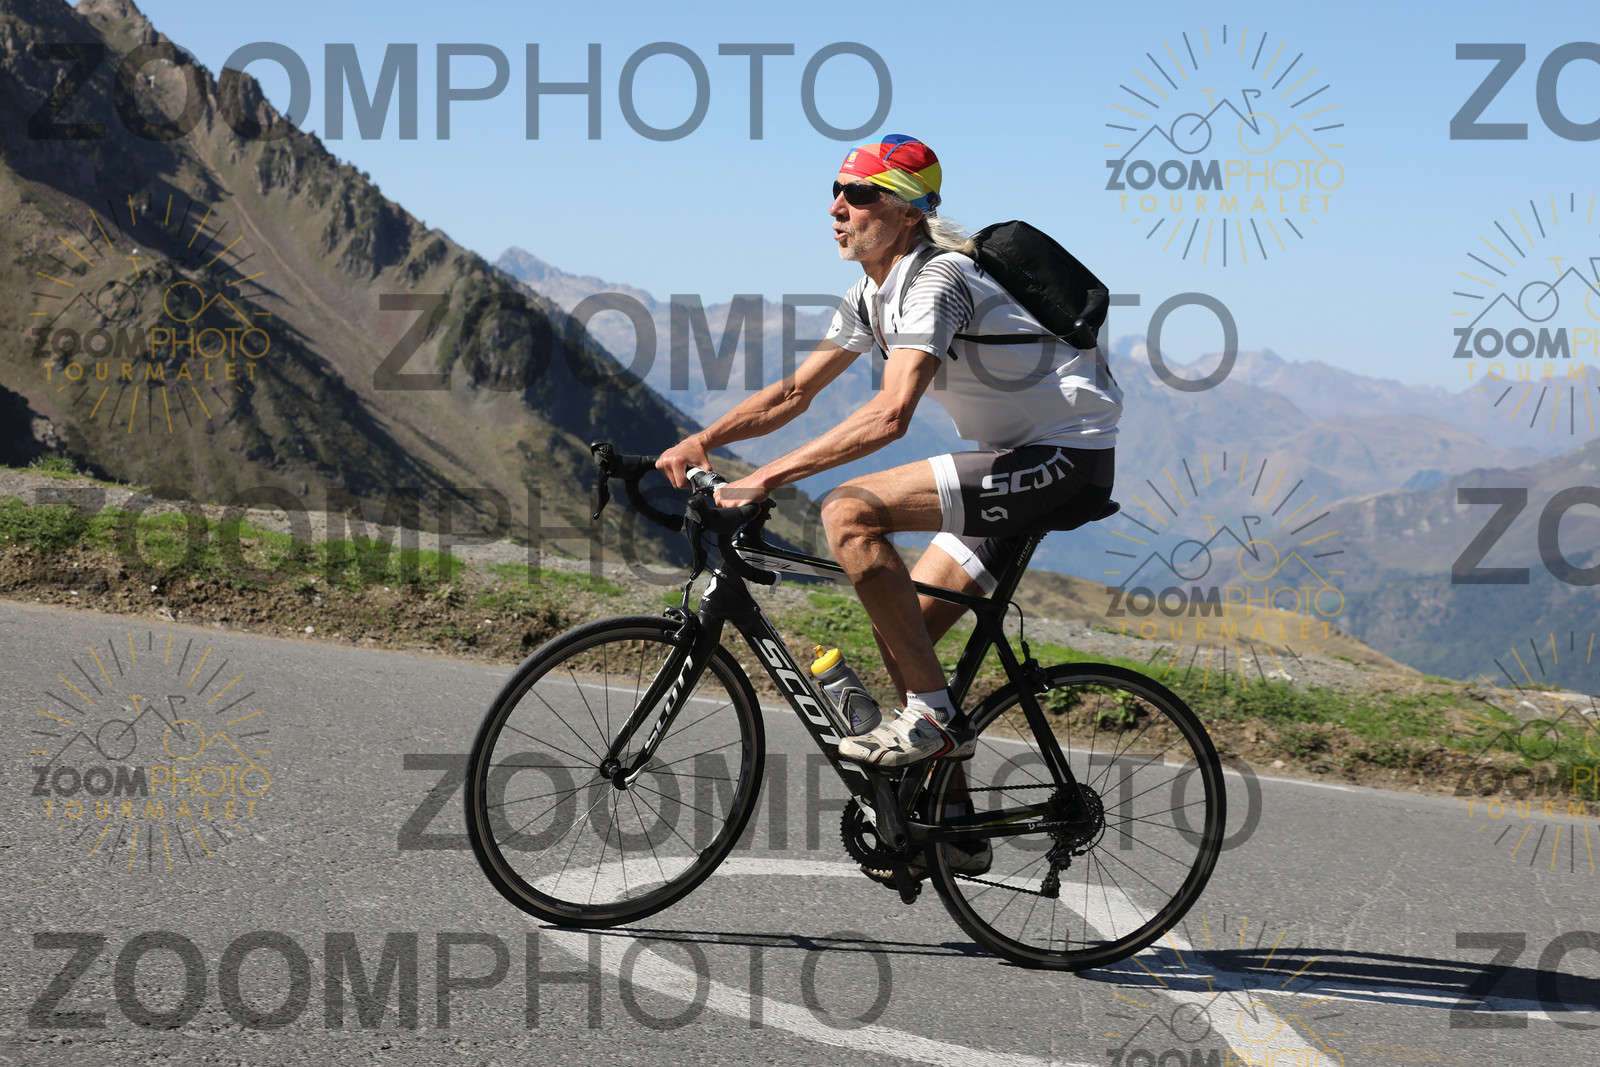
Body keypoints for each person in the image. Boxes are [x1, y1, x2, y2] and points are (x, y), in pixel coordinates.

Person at [657, 134, 1121, 769]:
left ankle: (933, 718)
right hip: (1011, 460)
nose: (836, 208)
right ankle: (943, 813)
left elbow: (890, 414)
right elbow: (794, 392)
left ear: (907, 212)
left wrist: (764, 478)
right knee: (905, 636)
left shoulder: (939, 279)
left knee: (848, 511)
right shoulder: (871, 293)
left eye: (859, 194)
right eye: (836, 192)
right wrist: (703, 440)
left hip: (1064, 459)